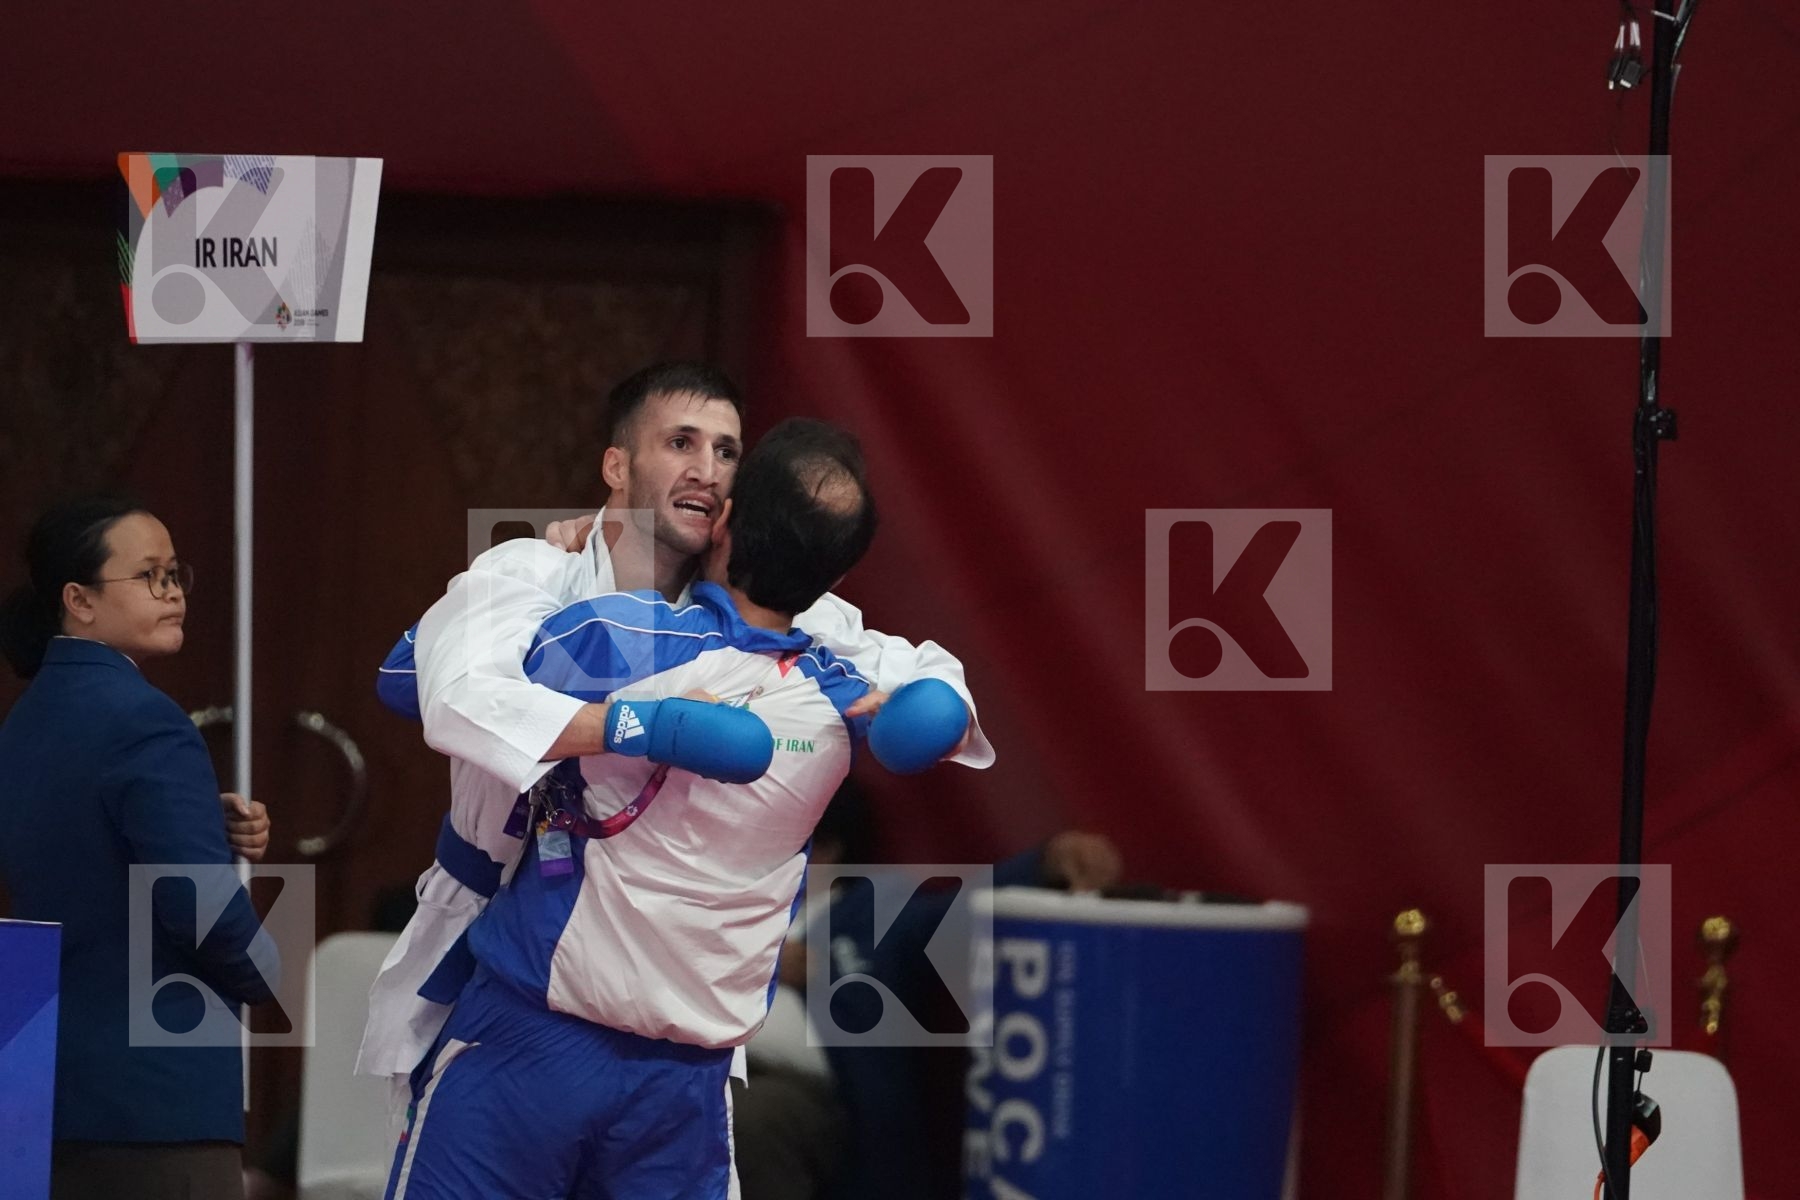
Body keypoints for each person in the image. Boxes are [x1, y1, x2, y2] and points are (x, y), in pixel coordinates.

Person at [358, 362, 993, 1097]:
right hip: (499, 952)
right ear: (617, 465)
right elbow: (433, 689)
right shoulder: (539, 571)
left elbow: (919, 670)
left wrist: (936, 708)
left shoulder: (769, 611)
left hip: (669, 994)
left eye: (727, 452)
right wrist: (633, 726)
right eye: (681, 443)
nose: (707, 470)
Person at [0, 497, 275, 1200]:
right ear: (79, 601)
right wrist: (270, 972)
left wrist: (196, 819)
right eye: (149, 575)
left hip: (40, 1080)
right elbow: (199, 905)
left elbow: (80, 851)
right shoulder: (147, 720)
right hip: (156, 1088)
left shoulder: (25, 719)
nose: (172, 591)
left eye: (175, 573)